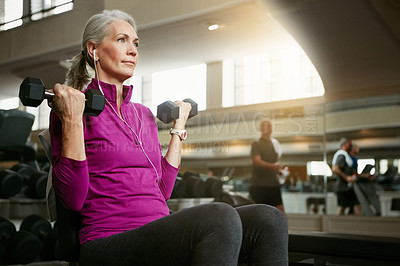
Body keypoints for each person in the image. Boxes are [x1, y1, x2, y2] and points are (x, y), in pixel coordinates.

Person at [48, 9, 288, 265]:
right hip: (109, 240)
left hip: (157, 230)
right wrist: (73, 119)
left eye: (135, 43)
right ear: (94, 49)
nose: (133, 50)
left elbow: (162, 192)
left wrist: (178, 128)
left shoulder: (144, 116)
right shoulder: (74, 108)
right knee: (219, 216)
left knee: (268, 219)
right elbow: (72, 200)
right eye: (122, 40)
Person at [249, 119, 285, 213]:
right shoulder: (256, 143)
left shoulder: (274, 144)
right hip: (259, 184)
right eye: (264, 126)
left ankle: (282, 228)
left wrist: (279, 170)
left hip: (273, 183)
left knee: (280, 210)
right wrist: (273, 166)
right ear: (261, 129)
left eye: (269, 126)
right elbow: (257, 161)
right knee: (259, 212)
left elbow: (277, 162)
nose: (267, 128)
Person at [331, 138, 361, 215]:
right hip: (343, 187)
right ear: (344, 144)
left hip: (346, 187)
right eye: (349, 144)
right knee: (349, 205)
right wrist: (346, 177)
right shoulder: (341, 154)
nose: (351, 145)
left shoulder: (346, 155)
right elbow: (335, 168)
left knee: (345, 206)